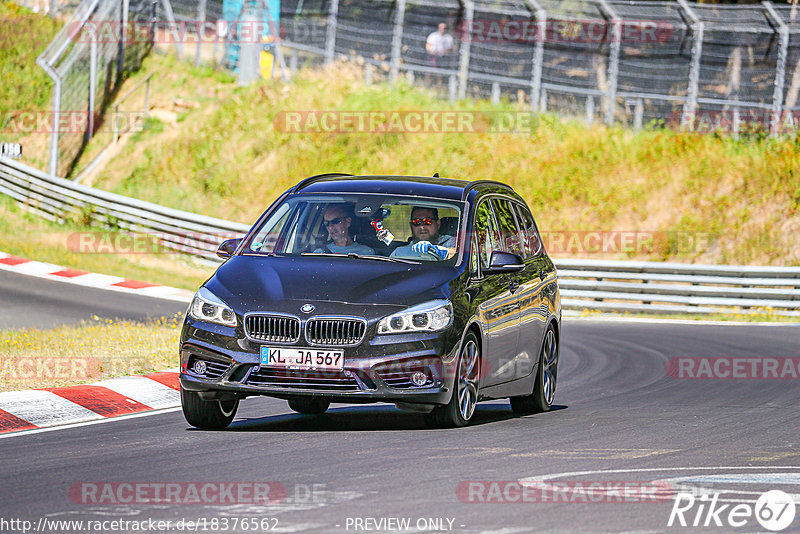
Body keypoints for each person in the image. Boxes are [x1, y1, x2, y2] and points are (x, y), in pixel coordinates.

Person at [390, 207, 456, 260]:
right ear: (411, 226)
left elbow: (461, 254)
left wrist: (441, 251)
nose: (422, 227)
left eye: (427, 221)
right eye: (416, 222)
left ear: (438, 224)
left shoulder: (450, 241)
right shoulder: (400, 252)